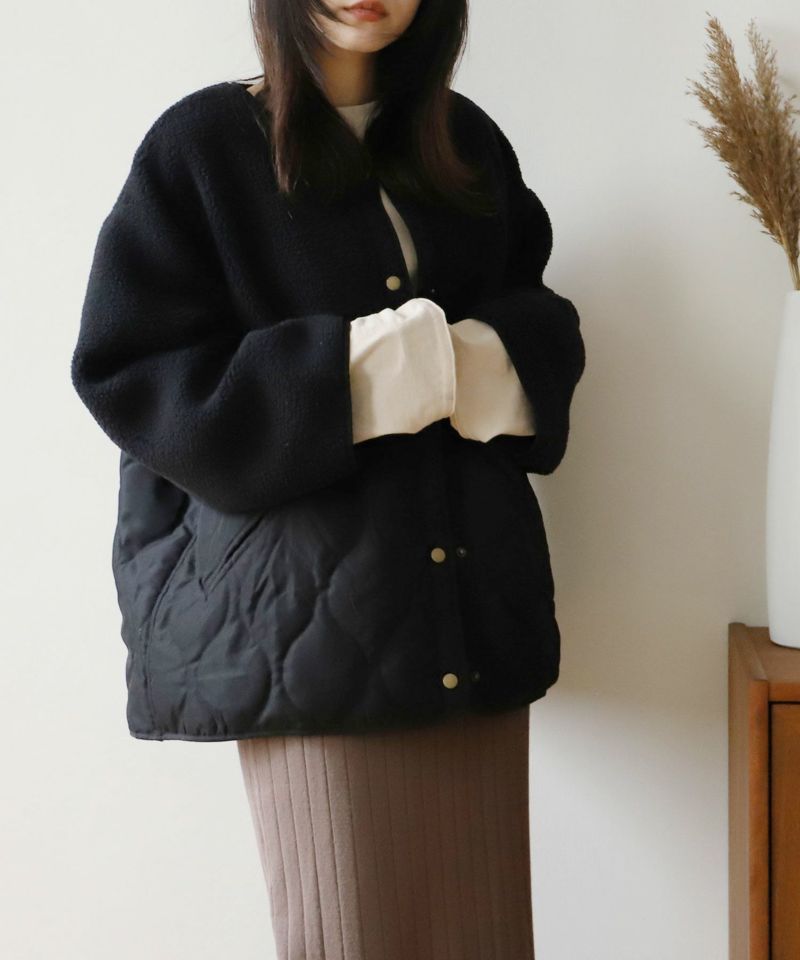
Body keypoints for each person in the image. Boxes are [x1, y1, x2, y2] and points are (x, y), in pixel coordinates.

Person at [71, 0, 586, 956]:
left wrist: (472, 361)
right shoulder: (202, 146)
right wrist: (361, 376)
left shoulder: (464, 142)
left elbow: (539, 313)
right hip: (309, 629)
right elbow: (132, 374)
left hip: (468, 613)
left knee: (488, 935)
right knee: (349, 933)